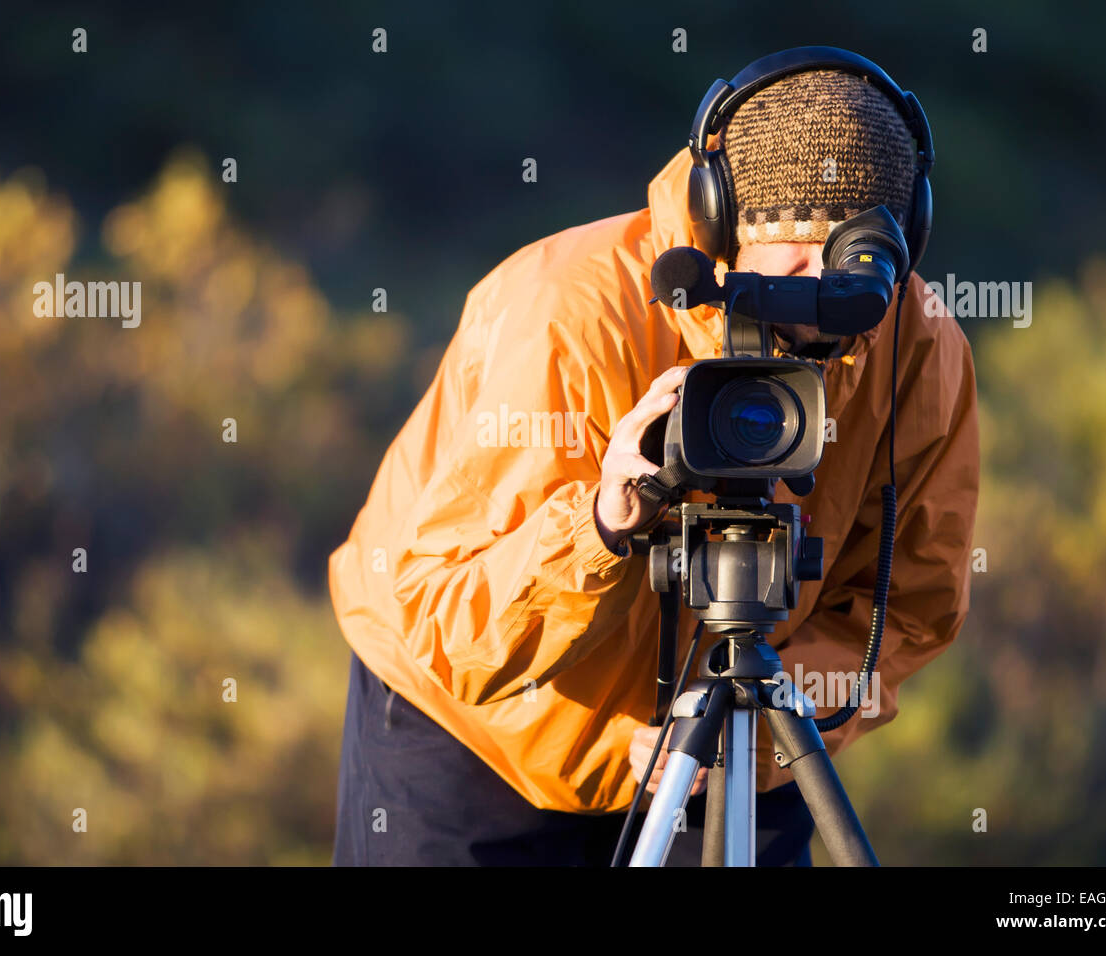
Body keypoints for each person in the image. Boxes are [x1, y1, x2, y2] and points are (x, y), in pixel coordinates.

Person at [327, 48, 979, 866]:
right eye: (794, 256)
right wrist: (599, 525)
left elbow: (906, 608)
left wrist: (748, 738)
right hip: (476, 732)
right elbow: (447, 627)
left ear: (904, 234)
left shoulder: (918, 350)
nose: (821, 291)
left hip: (723, 752)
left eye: (854, 259)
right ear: (720, 225)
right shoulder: (568, 317)